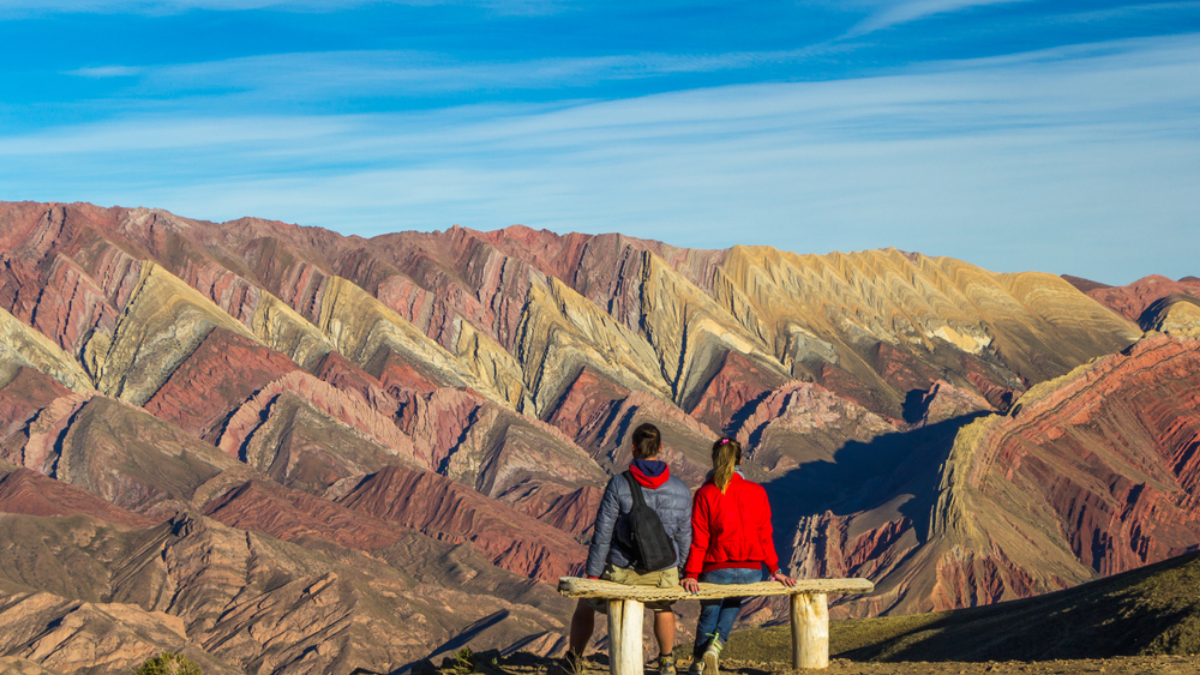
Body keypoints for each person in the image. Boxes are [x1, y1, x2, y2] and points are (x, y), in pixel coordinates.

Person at [564, 422, 692, 675]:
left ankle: (573, 661)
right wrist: (684, 570)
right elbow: (685, 535)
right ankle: (667, 662)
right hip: (664, 573)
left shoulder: (619, 484)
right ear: (660, 448)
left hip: (622, 572)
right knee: (663, 607)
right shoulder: (680, 488)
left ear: (633, 448)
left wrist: (593, 576)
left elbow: (603, 534)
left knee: (585, 604)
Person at [680, 437, 795, 675]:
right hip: (751, 571)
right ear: (740, 460)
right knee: (732, 602)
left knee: (709, 612)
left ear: (714, 460)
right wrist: (775, 570)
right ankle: (717, 645)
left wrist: (691, 573)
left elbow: (700, 540)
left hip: (716, 569)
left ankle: (698, 664)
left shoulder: (705, 493)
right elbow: (765, 535)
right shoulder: (757, 491)